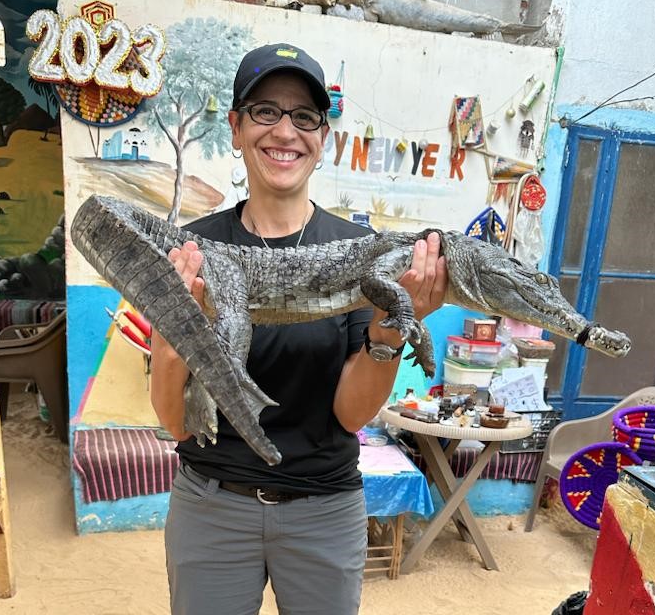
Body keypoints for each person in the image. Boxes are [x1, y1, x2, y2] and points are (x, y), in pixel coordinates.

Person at [150, 42, 447, 615]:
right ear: (236, 128)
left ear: (322, 138)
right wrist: (173, 339)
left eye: (304, 117)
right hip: (212, 508)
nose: (285, 131)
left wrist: (389, 332)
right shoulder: (193, 249)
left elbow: (351, 417)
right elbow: (174, 421)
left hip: (324, 509)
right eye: (265, 111)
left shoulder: (359, 252)